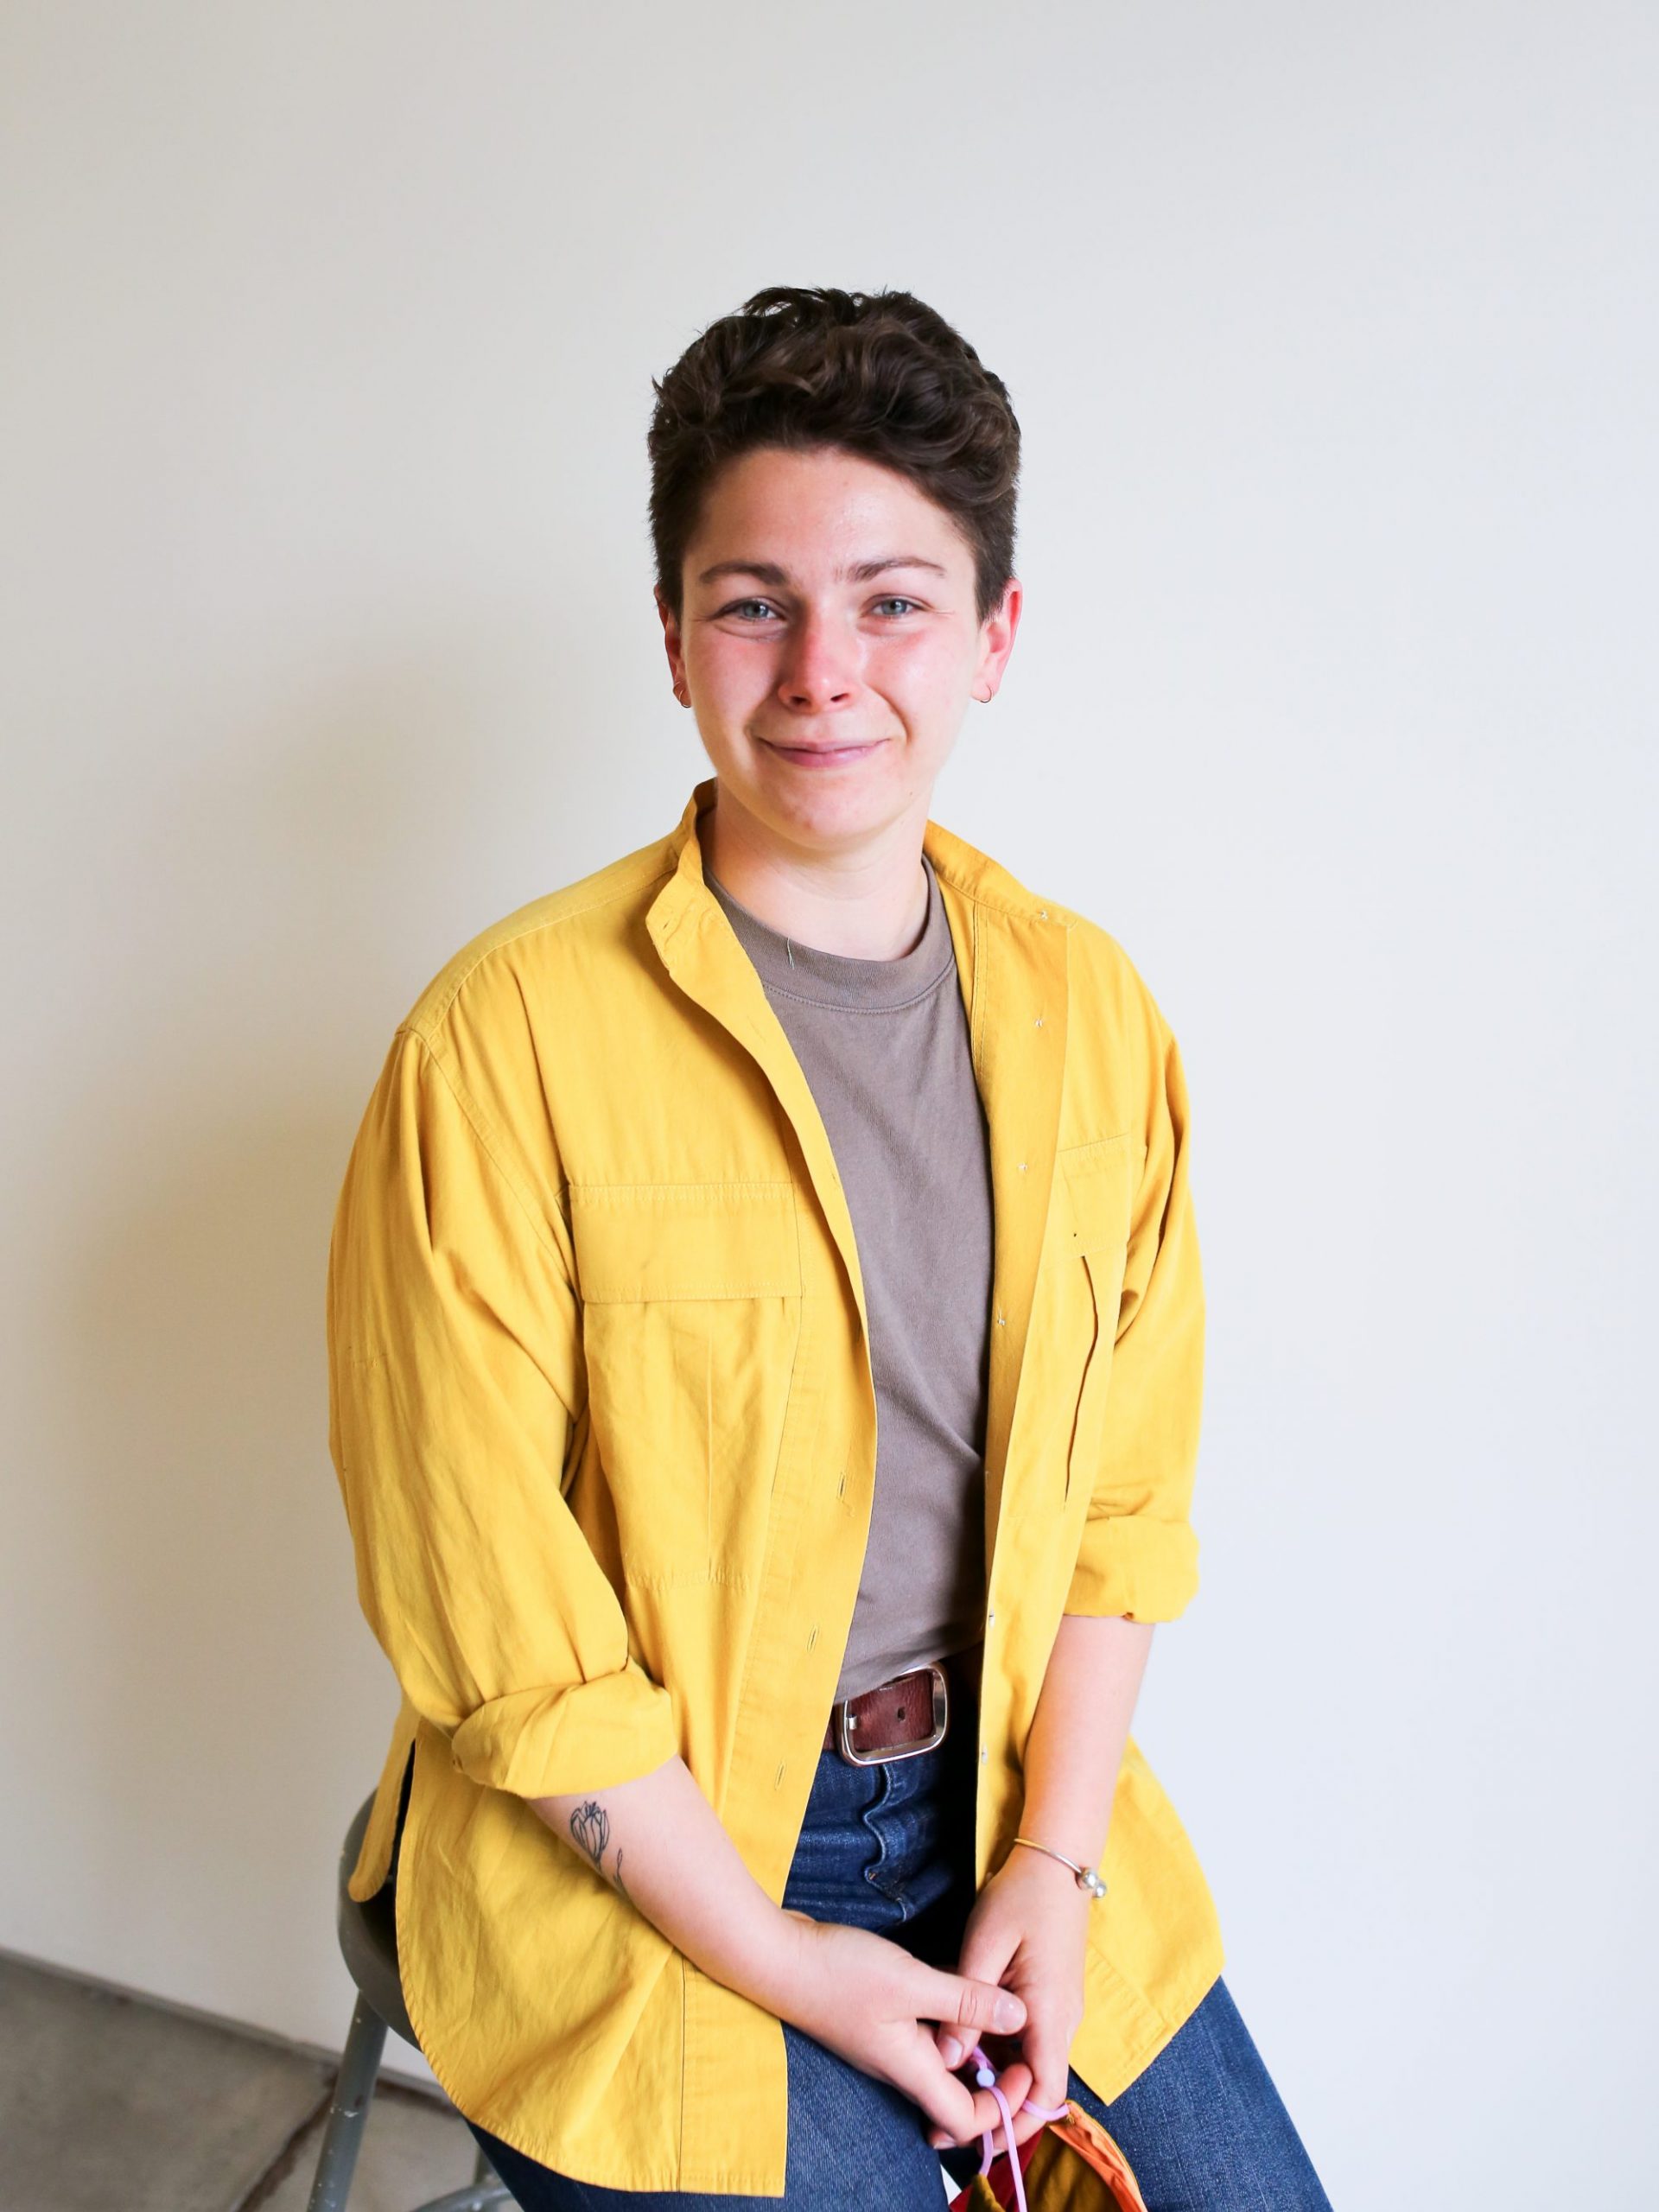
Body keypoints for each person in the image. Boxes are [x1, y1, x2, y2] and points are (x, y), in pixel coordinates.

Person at [325, 284, 1333, 2209]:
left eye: (892, 601)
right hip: (644, 1858)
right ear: (671, 636)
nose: (821, 672)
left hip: (1009, 1803)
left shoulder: (1093, 1015)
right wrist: (790, 1962)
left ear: (995, 636)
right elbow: (497, 1618)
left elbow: (1124, 1515)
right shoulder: (497, 1042)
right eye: (754, 603)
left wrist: (1055, 1866)